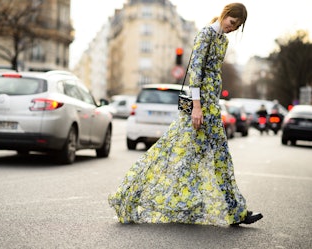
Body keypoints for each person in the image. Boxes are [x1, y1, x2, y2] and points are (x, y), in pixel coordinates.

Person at [108, 3, 263, 226]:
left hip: (212, 107)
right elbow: (195, 72)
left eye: (237, 26)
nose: (232, 28)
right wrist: (197, 107)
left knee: (216, 159)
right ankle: (129, 197)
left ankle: (235, 212)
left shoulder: (223, 40)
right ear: (225, 15)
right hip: (200, 110)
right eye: (232, 23)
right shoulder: (206, 34)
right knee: (169, 152)